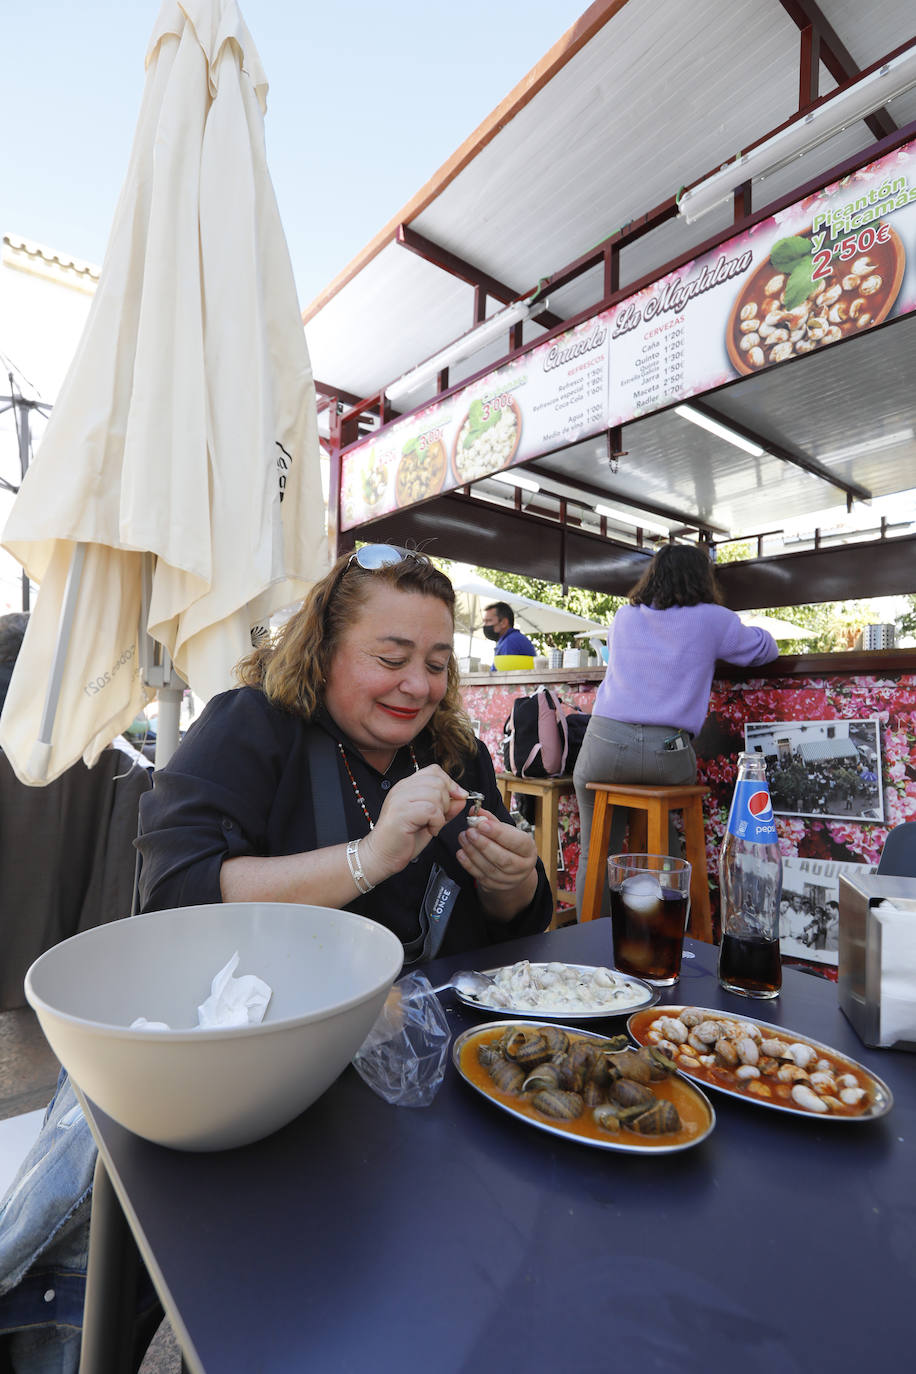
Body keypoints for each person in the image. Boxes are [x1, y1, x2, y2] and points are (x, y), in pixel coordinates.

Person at [138, 545, 551, 956]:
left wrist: (514, 884)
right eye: (392, 659)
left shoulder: (457, 753)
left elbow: (515, 927)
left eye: (436, 665)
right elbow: (173, 891)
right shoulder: (249, 727)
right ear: (322, 649)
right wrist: (367, 858)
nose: (419, 687)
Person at [573, 543, 779, 917]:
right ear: (703, 579)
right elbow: (765, 649)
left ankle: (592, 938)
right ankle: (667, 937)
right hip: (667, 755)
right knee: (662, 832)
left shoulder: (623, 616)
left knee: (597, 847)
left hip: (604, 743)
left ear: (652, 576)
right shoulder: (713, 619)